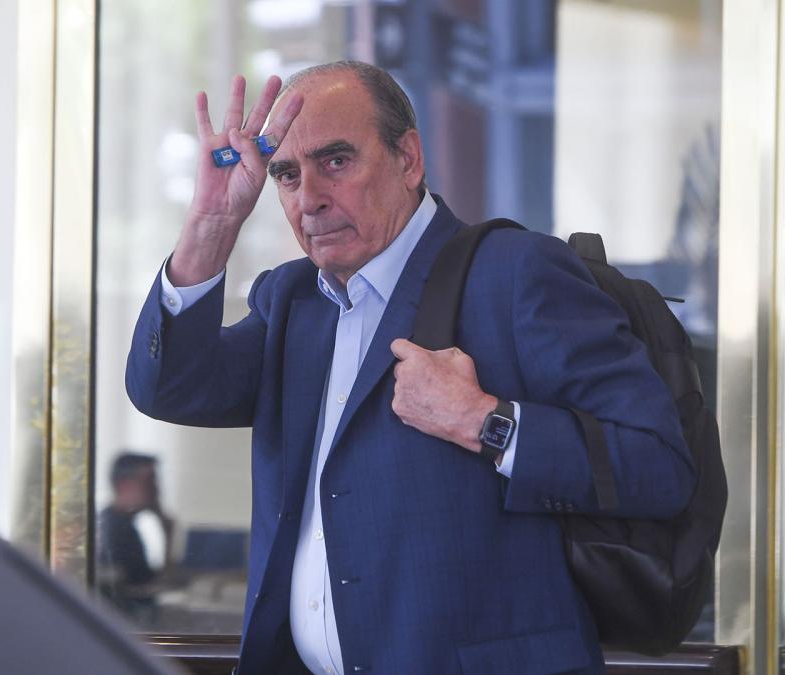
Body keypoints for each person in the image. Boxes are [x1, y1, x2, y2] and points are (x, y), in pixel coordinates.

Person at [125, 60, 695, 674]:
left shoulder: (516, 273)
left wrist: (486, 422)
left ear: (409, 159)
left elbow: (658, 466)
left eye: (336, 161)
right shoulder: (290, 299)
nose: (310, 199)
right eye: (287, 175)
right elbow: (168, 389)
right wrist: (211, 225)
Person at [97, 452, 175, 618]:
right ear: (124, 485)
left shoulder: (124, 524)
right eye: (150, 481)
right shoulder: (113, 529)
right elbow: (135, 587)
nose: (157, 489)